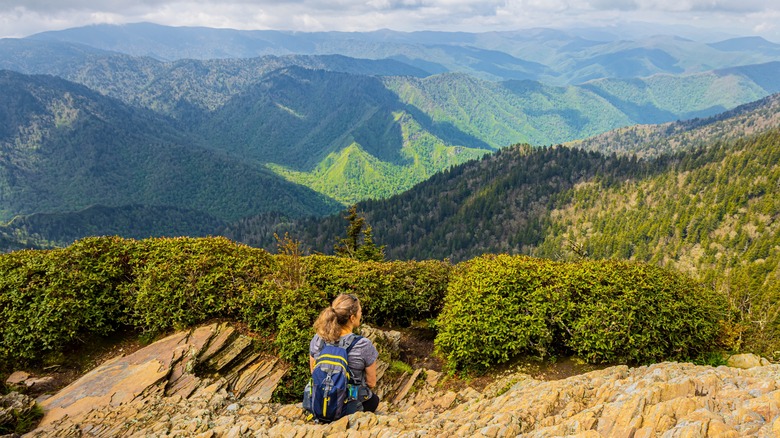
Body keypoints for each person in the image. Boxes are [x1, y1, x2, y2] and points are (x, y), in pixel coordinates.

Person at [309, 293, 380, 414]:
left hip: (321, 403)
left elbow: (313, 372)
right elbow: (371, 383)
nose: (361, 314)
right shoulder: (363, 344)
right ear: (352, 318)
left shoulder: (318, 339)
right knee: (374, 400)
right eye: (360, 312)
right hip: (349, 406)